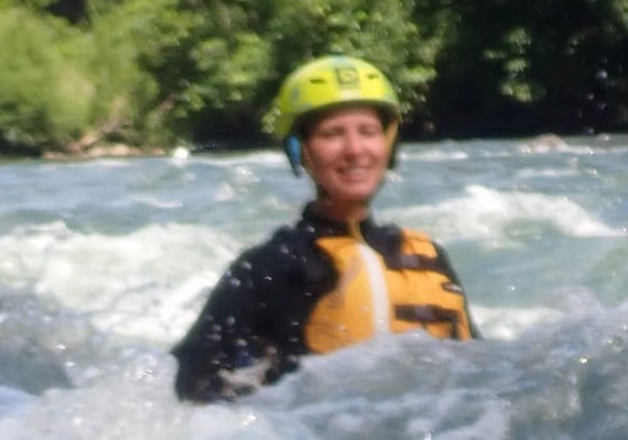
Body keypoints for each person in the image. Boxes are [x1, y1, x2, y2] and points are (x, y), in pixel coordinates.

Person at [172, 55, 476, 403]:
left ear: (389, 144)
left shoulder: (428, 256)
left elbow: (484, 375)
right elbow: (189, 386)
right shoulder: (269, 267)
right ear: (299, 150)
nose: (355, 150)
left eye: (368, 132)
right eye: (332, 134)